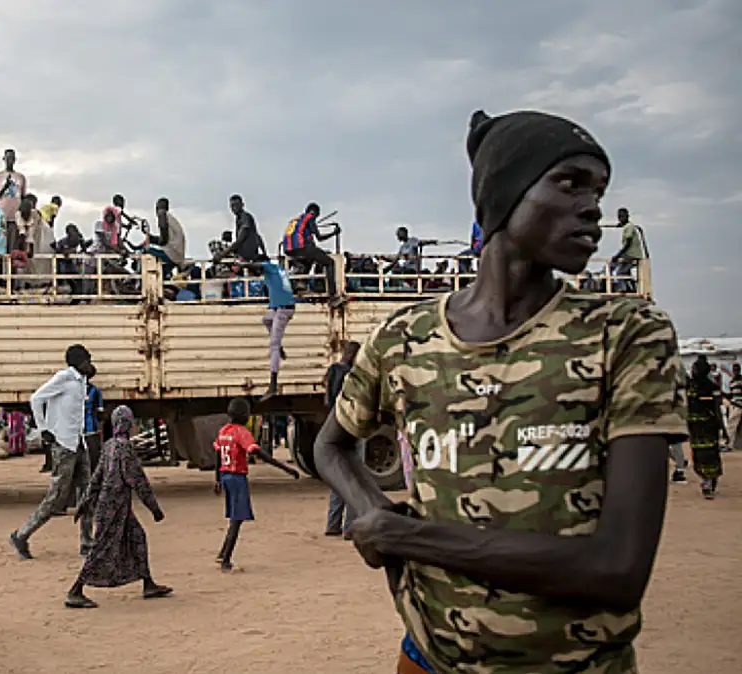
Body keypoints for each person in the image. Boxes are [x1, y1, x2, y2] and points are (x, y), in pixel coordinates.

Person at [314, 108, 687, 673]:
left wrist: (408, 538)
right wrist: (376, 519)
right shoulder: (403, 339)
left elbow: (617, 570)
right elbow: (330, 444)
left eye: (599, 191)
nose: (594, 208)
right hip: (428, 658)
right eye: (569, 183)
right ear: (504, 192)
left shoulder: (625, 334)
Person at [64, 405, 173, 608]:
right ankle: (75, 590)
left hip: (113, 506)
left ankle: (148, 583)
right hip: (114, 508)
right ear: (128, 424)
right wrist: (154, 508)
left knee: (138, 537)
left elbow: (97, 477)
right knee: (100, 549)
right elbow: (138, 481)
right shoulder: (125, 448)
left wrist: (85, 501)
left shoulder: (109, 446)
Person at [10, 344, 96, 560]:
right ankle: (21, 535)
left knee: (87, 495)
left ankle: (87, 542)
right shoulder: (64, 378)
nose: (91, 363)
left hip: (78, 443)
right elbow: (36, 398)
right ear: (79, 362)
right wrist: (44, 429)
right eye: (87, 360)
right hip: (64, 446)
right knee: (56, 498)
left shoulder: (80, 381)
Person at [213, 397, 300, 572]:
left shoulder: (223, 431)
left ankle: (223, 553)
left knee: (233, 517)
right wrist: (286, 468)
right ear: (245, 415)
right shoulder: (241, 433)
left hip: (225, 476)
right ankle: (226, 559)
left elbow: (217, 456)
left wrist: (216, 479)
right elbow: (260, 454)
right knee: (237, 519)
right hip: (237, 478)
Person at [323, 341, 361, 537]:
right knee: (355, 478)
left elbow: (327, 399)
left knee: (338, 477)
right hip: (349, 429)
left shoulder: (332, 371)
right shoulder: (351, 375)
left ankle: (333, 524)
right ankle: (350, 528)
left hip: (333, 428)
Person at [255, 259, 296, 402]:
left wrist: (241, 264)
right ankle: (280, 347)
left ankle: (273, 384)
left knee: (273, 345)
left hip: (283, 309)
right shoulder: (278, 269)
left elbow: (257, 265)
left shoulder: (269, 267)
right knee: (266, 320)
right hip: (280, 307)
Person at [283, 202, 340, 299]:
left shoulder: (295, 220)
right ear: (316, 213)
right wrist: (334, 233)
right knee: (330, 262)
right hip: (300, 247)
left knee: (313, 255)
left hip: (288, 249)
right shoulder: (310, 217)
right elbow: (319, 238)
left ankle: (301, 283)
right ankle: (333, 295)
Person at [688, 357, 726, 499]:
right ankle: (708, 481)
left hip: (708, 427)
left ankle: (708, 482)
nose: (693, 372)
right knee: (701, 456)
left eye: (695, 369)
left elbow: (717, 409)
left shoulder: (710, 388)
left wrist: (723, 428)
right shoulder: (691, 386)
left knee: (708, 456)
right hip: (696, 428)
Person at [0, 149, 27, 252]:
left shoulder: (21, 177)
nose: (10, 160)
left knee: (12, 247)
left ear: (15, 160)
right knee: (0, 246)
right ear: (4, 159)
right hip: (1, 215)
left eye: (12, 158)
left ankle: (10, 267)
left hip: (15, 217)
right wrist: (5, 187)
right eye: (8, 158)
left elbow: (23, 196)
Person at [216, 195, 267, 263]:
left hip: (247, 255)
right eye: (232, 206)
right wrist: (264, 252)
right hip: (243, 253)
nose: (234, 208)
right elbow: (257, 236)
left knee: (216, 247)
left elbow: (240, 240)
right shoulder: (238, 219)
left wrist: (223, 254)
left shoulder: (245, 217)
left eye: (236, 205)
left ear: (242, 205)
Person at [146, 197, 186, 277]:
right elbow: (166, 239)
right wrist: (152, 239)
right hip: (177, 255)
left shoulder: (162, 214)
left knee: (145, 251)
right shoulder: (171, 218)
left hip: (171, 254)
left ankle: (136, 280)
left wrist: (151, 243)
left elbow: (163, 240)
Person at [611, 207, 645, 293]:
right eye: (619, 217)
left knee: (619, 272)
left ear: (627, 216)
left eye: (622, 217)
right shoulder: (627, 226)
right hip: (630, 254)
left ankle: (623, 289)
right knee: (624, 272)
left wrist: (618, 255)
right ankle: (629, 287)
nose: (621, 218)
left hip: (631, 254)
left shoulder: (629, 227)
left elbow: (628, 243)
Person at [729, 363, 742, 450]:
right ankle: (737, 445)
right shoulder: (732, 381)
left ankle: (730, 445)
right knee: (737, 426)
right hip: (733, 404)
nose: (735, 371)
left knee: (731, 425)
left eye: (737, 370)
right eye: (734, 370)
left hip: (739, 405)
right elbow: (732, 394)